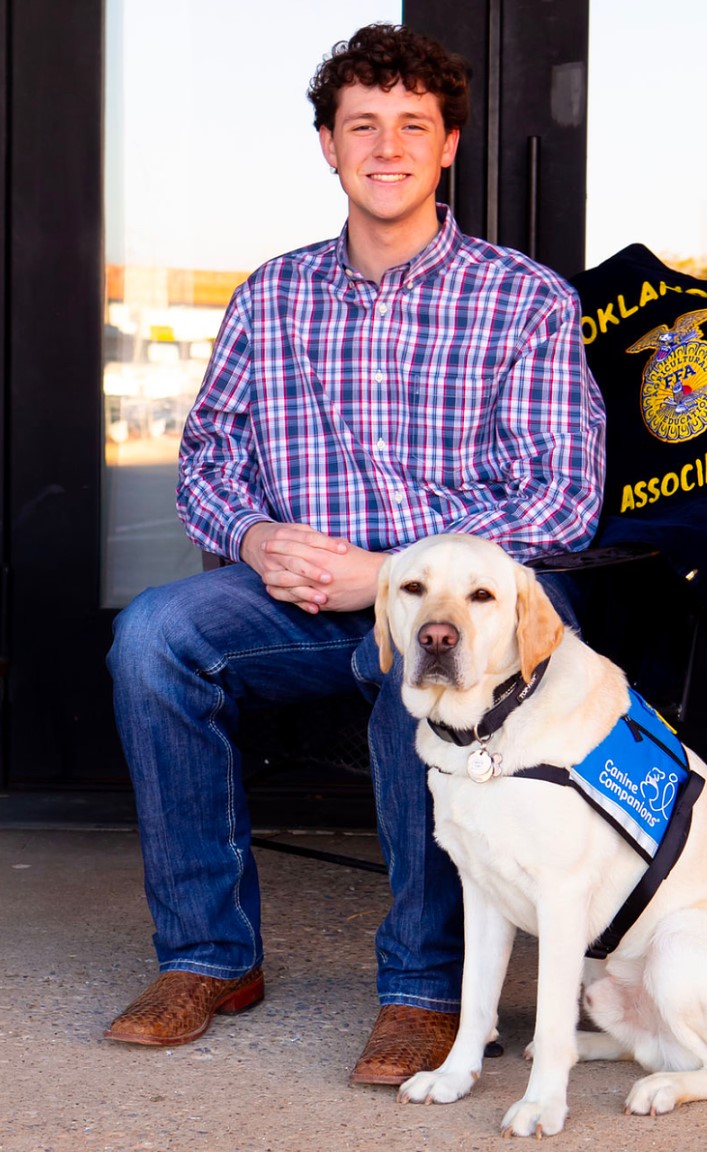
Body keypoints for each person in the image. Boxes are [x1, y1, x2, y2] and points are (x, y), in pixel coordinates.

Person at [104, 22, 606, 1085]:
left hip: (440, 614)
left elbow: (560, 502)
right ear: (327, 147)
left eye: (411, 126)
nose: (386, 147)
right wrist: (250, 533)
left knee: (415, 669)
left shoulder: (523, 302)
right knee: (154, 638)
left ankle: (423, 990)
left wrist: (384, 575)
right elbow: (205, 458)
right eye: (360, 125)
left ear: (448, 146)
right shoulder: (271, 296)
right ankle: (207, 956)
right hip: (288, 605)